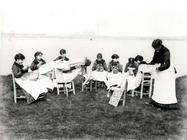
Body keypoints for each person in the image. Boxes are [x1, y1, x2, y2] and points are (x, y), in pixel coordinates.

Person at [148, 39, 178, 109]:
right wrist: (148, 65)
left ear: (160, 45)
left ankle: (165, 105)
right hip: (160, 68)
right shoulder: (156, 50)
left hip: (167, 71)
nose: (155, 49)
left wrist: (159, 68)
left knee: (164, 87)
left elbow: (167, 64)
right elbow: (154, 60)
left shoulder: (166, 51)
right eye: (154, 48)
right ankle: (155, 102)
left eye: (156, 47)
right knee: (157, 86)